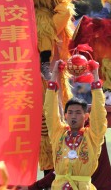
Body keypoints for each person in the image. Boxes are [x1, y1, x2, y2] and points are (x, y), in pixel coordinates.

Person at [44, 60, 106, 190]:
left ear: (86, 116)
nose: (73, 116)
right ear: (65, 116)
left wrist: (95, 75)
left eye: (78, 113)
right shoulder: (58, 133)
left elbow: (99, 112)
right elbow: (50, 110)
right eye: (70, 113)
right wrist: (54, 74)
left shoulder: (93, 136)